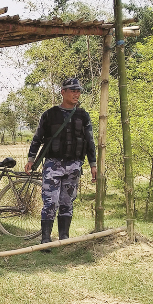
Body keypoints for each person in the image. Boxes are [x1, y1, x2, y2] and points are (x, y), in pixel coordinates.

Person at [24, 78, 97, 248]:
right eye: (72, 91)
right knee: (50, 201)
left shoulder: (83, 115)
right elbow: (37, 139)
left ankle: (64, 237)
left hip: (74, 165)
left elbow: (90, 141)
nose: (76, 94)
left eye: (78, 91)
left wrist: (93, 164)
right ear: (63, 92)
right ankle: (46, 239)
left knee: (67, 201)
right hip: (52, 164)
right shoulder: (50, 114)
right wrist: (31, 159)